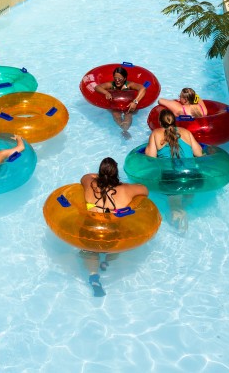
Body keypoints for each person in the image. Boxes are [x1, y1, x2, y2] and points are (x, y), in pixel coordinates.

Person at [80, 157, 148, 296]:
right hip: (112, 234)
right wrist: (120, 183)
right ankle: (107, 261)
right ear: (116, 173)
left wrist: (100, 177)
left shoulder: (90, 183)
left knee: (89, 252)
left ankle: (93, 276)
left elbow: (85, 176)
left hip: (91, 231)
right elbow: (145, 190)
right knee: (115, 246)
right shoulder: (126, 189)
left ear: (99, 172)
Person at [145, 108, 203, 231]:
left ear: (160, 123)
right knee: (186, 194)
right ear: (175, 121)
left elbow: (150, 158)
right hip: (193, 176)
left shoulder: (156, 133)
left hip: (172, 179)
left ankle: (179, 214)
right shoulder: (186, 132)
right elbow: (199, 153)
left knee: (175, 206)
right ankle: (185, 207)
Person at [95, 66, 146, 136]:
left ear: (125, 78)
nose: (117, 80)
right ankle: (123, 130)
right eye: (115, 78)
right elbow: (97, 87)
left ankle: (125, 129)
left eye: (120, 78)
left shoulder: (129, 85)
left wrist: (135, 102)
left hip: (128, 105)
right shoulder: (112, 84)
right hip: (116, 105)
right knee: (116, 115)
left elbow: (143, 88)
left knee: (128, 115)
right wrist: (106, 92)